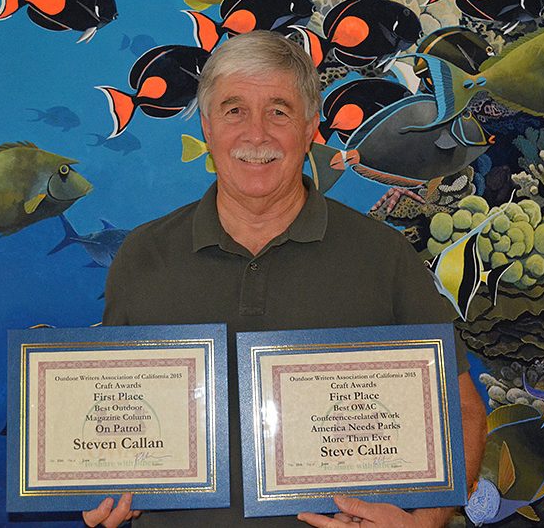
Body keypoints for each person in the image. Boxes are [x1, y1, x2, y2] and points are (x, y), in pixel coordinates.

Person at [84, 31, 486, 528]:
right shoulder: (142, 255)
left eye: (279, 111)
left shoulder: (384, 255)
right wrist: (102, 481)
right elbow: (116, 415)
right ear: (207, 126)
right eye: (234, 111)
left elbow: (464, 410)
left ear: (311, 126)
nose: (256, 135)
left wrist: (425, 522)